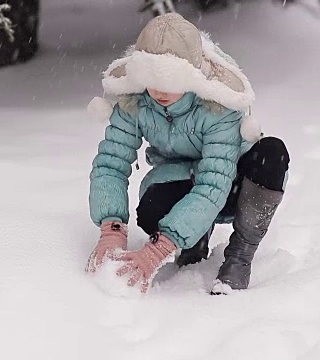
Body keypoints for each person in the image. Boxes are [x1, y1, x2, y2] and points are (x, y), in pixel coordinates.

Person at [85, 13, 290, 295]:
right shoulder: (135, 102)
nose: (159, 91)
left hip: (235, 185)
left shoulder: (219, 106)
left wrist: (158, 250)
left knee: (272, 153)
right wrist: (112, 228)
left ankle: (240, 254)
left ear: (190, 75)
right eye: (152, 79)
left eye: (171, 80)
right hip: (182, 179)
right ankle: (194, 240)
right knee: (151, 208)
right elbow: (111, 163)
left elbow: (214, 184)